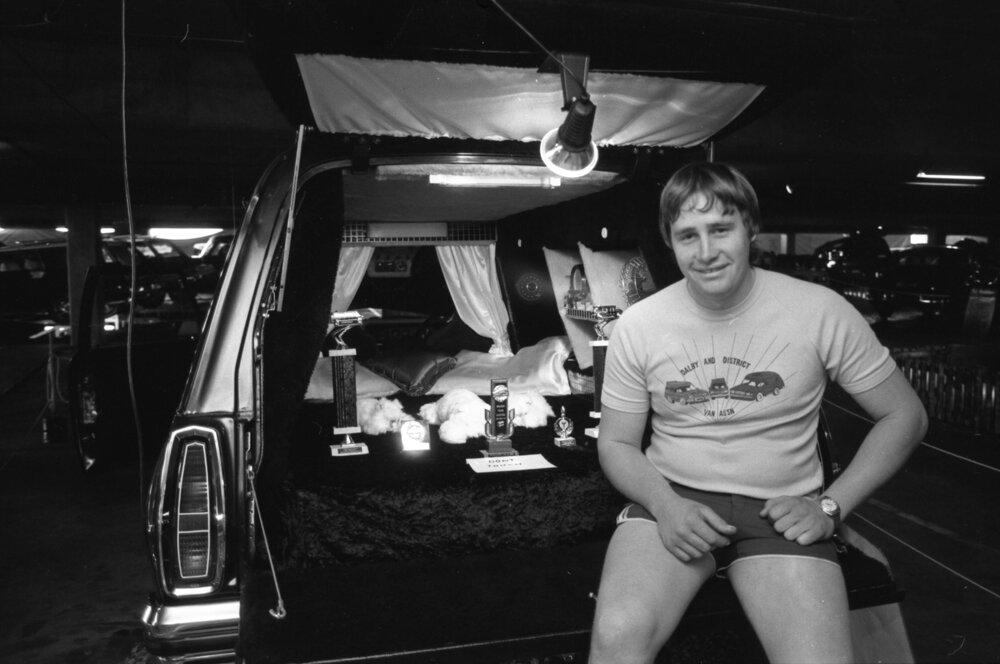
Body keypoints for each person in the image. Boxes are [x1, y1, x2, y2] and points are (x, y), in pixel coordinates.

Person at [588, 161, 927, 664]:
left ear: (750, 225)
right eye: (688, 236)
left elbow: (905, 416)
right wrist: (665, 505)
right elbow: (615, 443)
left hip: (781, 511)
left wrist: (831, 508)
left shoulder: (820, 310)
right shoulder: (639, 325)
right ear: (669, 241)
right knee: (618, 637)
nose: (705, 253)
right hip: (675, 500)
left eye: (720, 229)